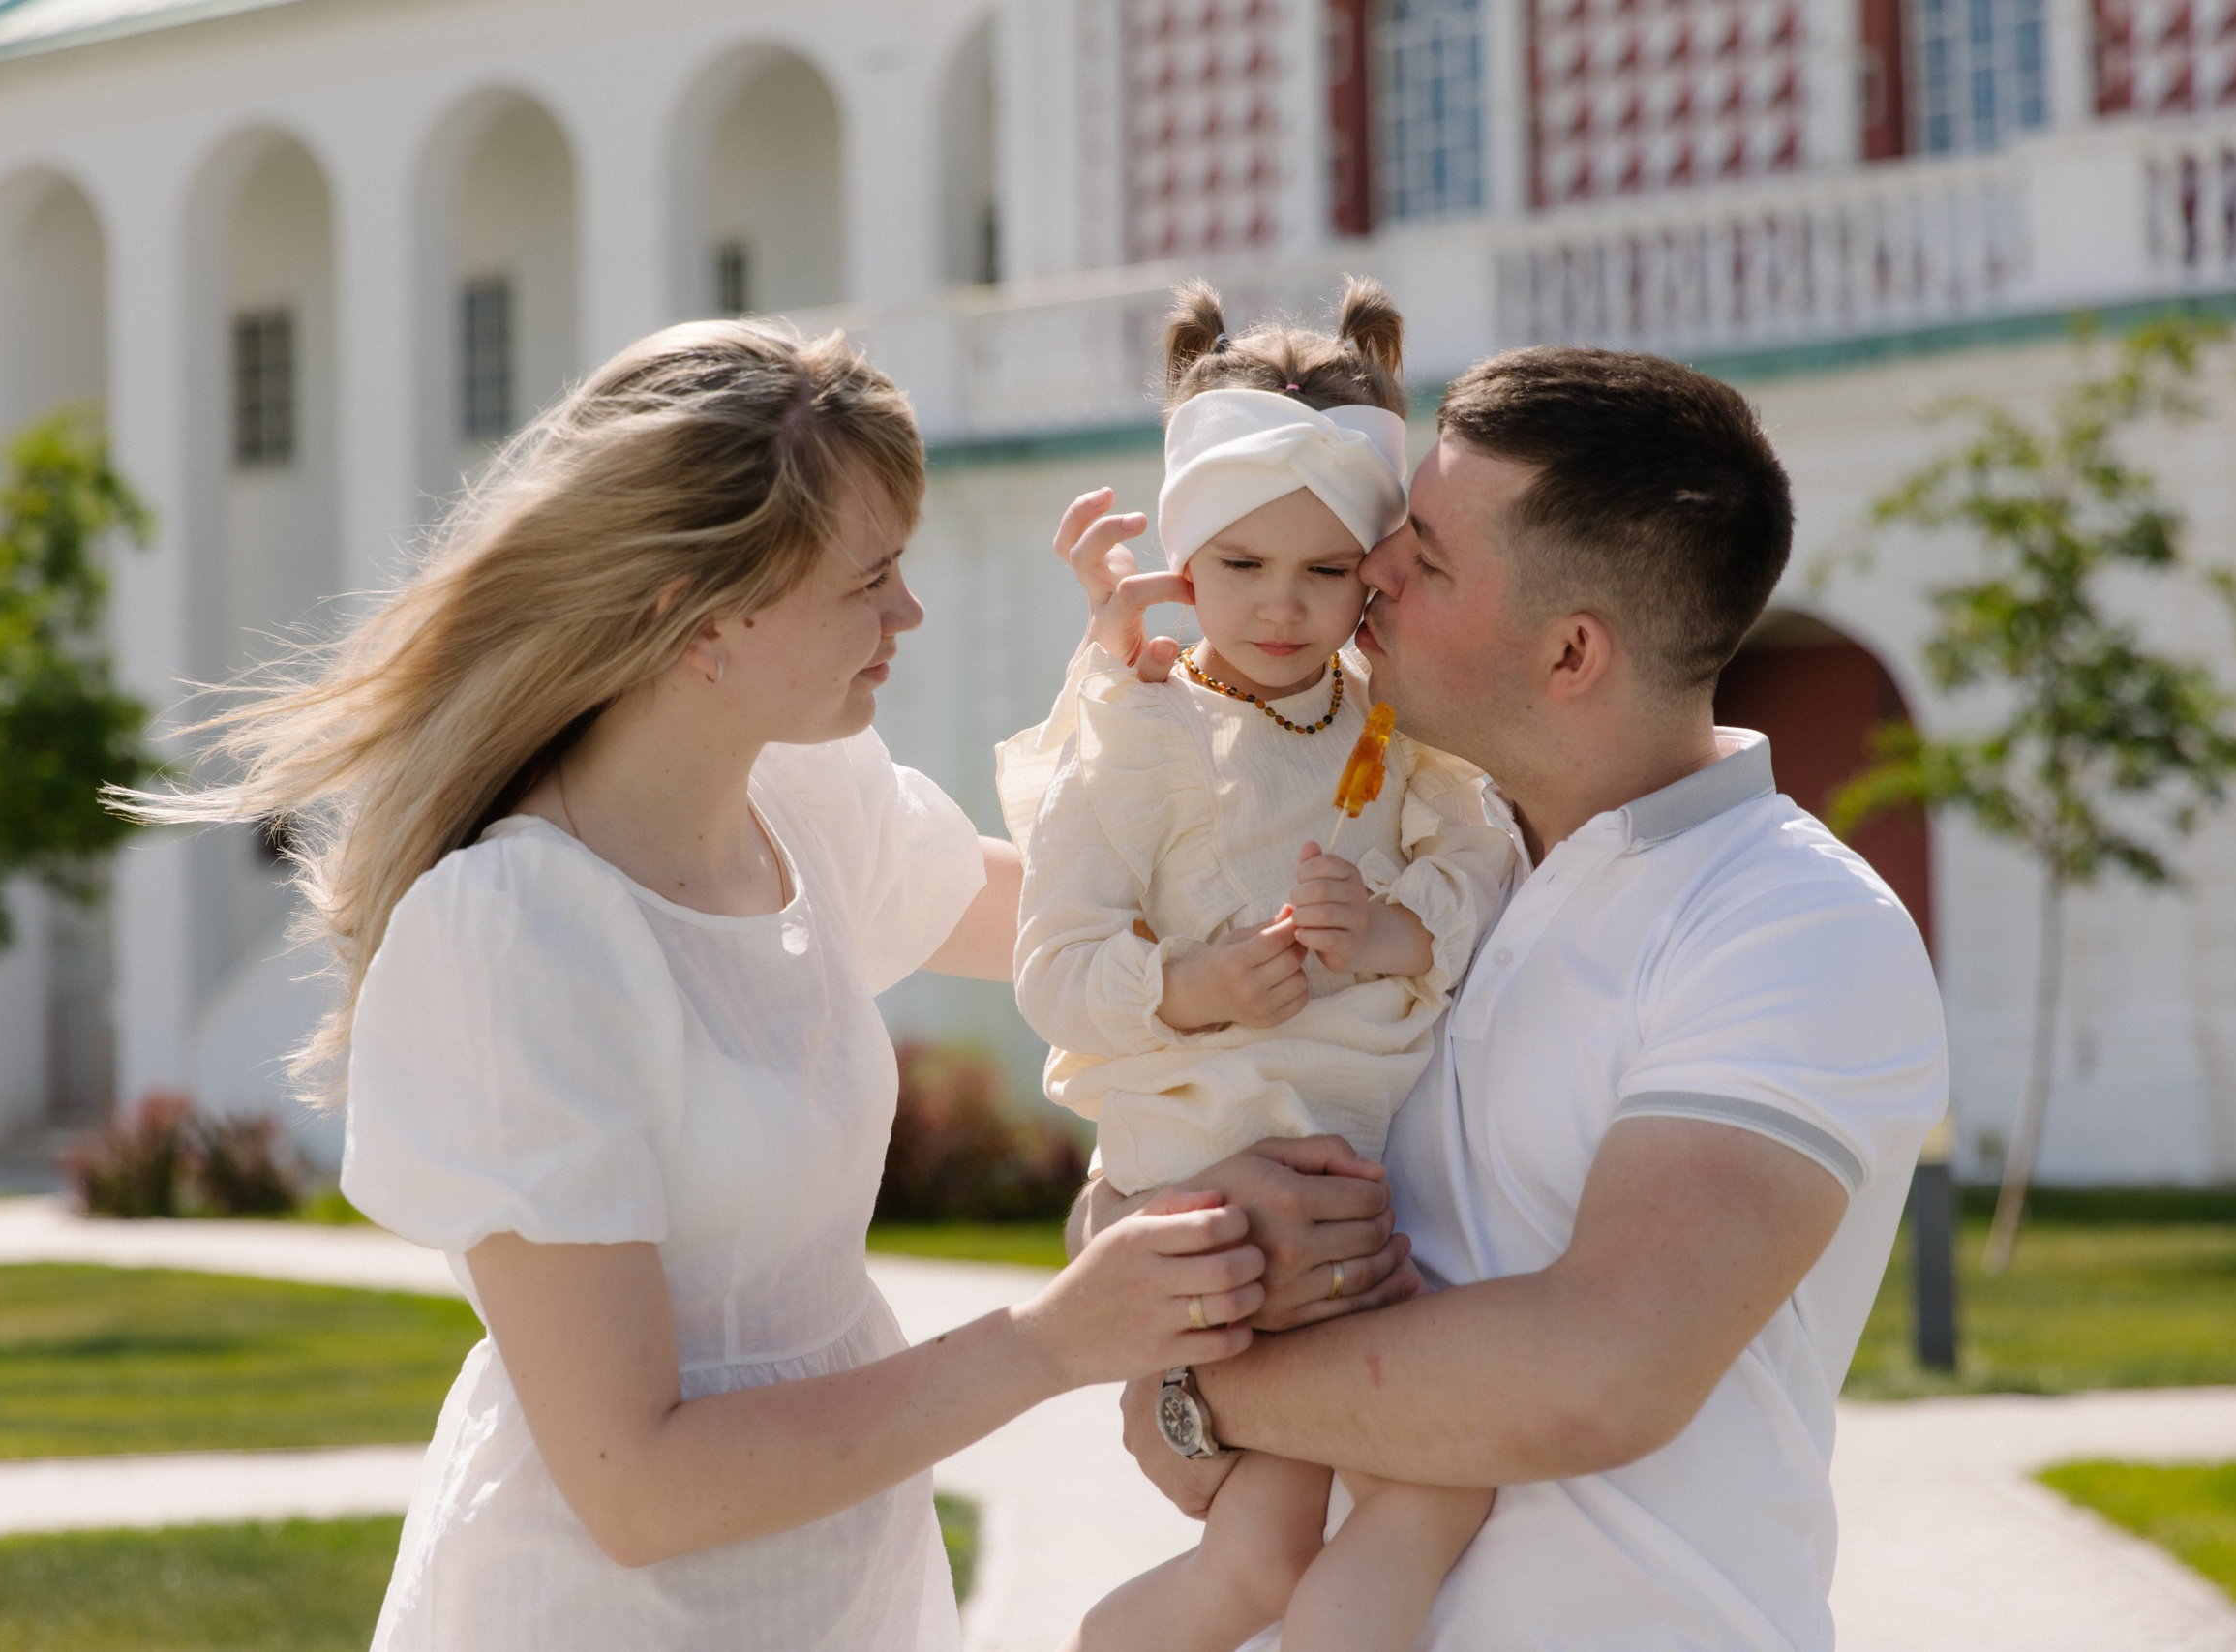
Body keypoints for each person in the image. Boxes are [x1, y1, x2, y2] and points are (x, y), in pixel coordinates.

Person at [119, 320, 1346, 1650]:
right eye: (866, 580)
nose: (907, 614)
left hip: (843, 1589)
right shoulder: (518, 931)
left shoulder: (804, 802)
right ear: (696, 620)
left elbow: (1093, 943)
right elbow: (635, 1486)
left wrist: (1302, 752)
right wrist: (1055, 1340)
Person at [1077, 347, 1949, 1649]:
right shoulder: (1419, 870)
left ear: (1572, 651)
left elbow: (1599, 1373)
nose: (1366, 568)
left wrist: (1206, 1382)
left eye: (1423, 557)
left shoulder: (1790, 924)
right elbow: (1142, 1147)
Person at [996, 280, 1512, 1652]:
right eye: (1240, 566)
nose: (1283, 608)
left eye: (1324, 571)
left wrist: (1400, 930)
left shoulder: (1396, 739)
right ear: (1179, 559)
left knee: (1404, 1491)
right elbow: (1053, 960)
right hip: (1201, 1181)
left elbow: (1483, 861)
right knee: (1312, 1523)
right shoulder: (1137, 730)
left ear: (1372, 569)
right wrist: (1194, 987)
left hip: (1348, 1191)